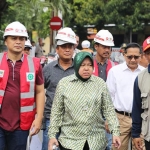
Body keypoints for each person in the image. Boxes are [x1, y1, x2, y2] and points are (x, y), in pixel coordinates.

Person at [48, 52, 121, 150]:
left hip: (96, 141)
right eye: (82, 65)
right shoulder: (64, 84)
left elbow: (109, 110)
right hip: (70, 141)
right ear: (76, 65)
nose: (86, 68)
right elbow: (57, 112)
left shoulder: (100, 84)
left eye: (90, 65)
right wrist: (52, 135)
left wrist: (115, 133)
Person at [0, 21, 45, 150]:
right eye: (13, 38)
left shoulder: (35, 64)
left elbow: (40, 92)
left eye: (22, 39)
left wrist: (39, 118)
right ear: (6, 41)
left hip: (22, 126)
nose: (18, 42)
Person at [42, 27, 77, 150]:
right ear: (57, 49)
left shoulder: (80, 69)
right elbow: (40, 92)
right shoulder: (48, 69)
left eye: (70, 46)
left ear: (74, 49)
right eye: (63, 46)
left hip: (74, 122)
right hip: (51, 121)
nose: (67, 49)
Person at [106, 43, 145, 150]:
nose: (133, 60)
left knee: (140, 148)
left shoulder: (144, 73)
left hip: (141, 119)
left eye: (136, 57)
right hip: (120, 118)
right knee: (117, 148)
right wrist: (108, 120)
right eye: (129, 57)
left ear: (141, 56)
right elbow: (108, 97)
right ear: (124, 55)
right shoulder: (114, 72)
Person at [93, 29, 117, 150]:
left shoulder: (114, 67)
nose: (107, 50)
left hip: (107, 113)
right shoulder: (87, 64)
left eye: (109, 47)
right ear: (96, 46)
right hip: (90, 113)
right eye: (104, 47)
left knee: (108, 145)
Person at [132, 37, 150, 150]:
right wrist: (136, 134)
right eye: (149, 52)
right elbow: (137, 108)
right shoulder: (140, 78)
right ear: (145, 55)